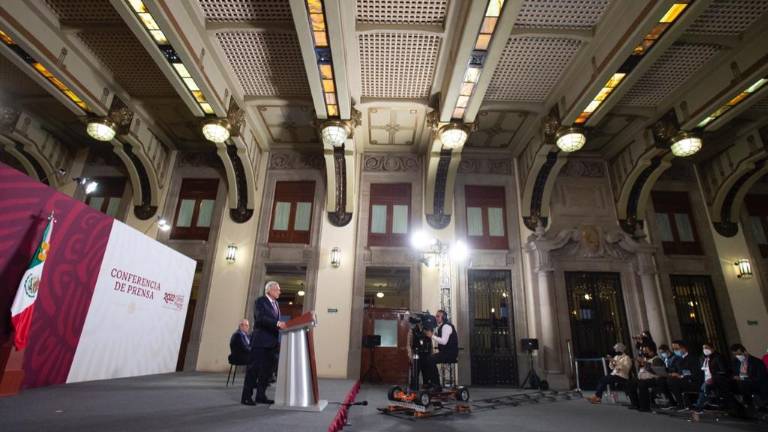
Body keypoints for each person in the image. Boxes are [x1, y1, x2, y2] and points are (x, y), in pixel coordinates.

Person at [241, 281, 286, 405]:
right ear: (269, 290)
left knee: (266, 372)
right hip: (260, 342)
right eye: (277, 289)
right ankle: (246, 397)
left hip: (272, 343)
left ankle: (261, 395)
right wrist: (277, 324)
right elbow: (260, 318)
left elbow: (275, 321)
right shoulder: (260, 301)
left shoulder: (276, 303)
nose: (279, 291)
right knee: (253, 370)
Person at [423, 310, 458, 391]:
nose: (436, 318)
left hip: (450, 353)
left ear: (444, 317)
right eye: (436, 316)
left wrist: (432, 336)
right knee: (428, 359)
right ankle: (432, 383)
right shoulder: (441, 327)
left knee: (430, 359)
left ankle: (436, 385)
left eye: (438, 316)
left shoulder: (446, 326)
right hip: (445, 352)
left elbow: (444, 341)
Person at [729, 343, 768, 414]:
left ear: (744, 352)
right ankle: (740, 408)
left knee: (744, 386)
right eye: (735, 355)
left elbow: (759, 378)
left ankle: (752, 406)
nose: (736, 356)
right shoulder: (736, 362)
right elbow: (733, 373)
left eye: (738, 354)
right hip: (741, 383)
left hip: (753, 383)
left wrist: (743, 378)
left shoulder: (756, 362)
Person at [691, 342, 730, 414]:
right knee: (702, 386)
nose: (705, 350)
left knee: (704, 387)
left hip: (716, 379)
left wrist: (713, 378)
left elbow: (723, 370)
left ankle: (699, 407)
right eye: (703, 348)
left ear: (712, 349)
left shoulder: (718, 357)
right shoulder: (702, 358)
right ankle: (704, 404)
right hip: (706, 378)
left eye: (707, 348)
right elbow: (701, 370)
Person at [627, 343, 666, 412]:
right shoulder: (646, 359)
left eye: (646, 351)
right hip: (644, 378)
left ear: (652, 351)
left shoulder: (657, 359)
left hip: (654, 379)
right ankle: (635, 404)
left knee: (642, 384)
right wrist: (642, 364)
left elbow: (656, 371)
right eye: (644, 351)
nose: (645, 352)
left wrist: (645, 363)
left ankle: (645, 406)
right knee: (630, 383)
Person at [666, 340, 703, 411]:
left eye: (676, 349)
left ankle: (681, 404)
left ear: (683, 348)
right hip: (685, 379)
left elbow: (695, 374)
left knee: (673, 382)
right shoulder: (678, 359)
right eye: (673, 349)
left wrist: (681, 376)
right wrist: (675, 374)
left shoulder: (692, 358)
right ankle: (680, 403)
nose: (675, 351)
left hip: (693, 381)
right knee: (670, 380)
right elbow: (680, 371)